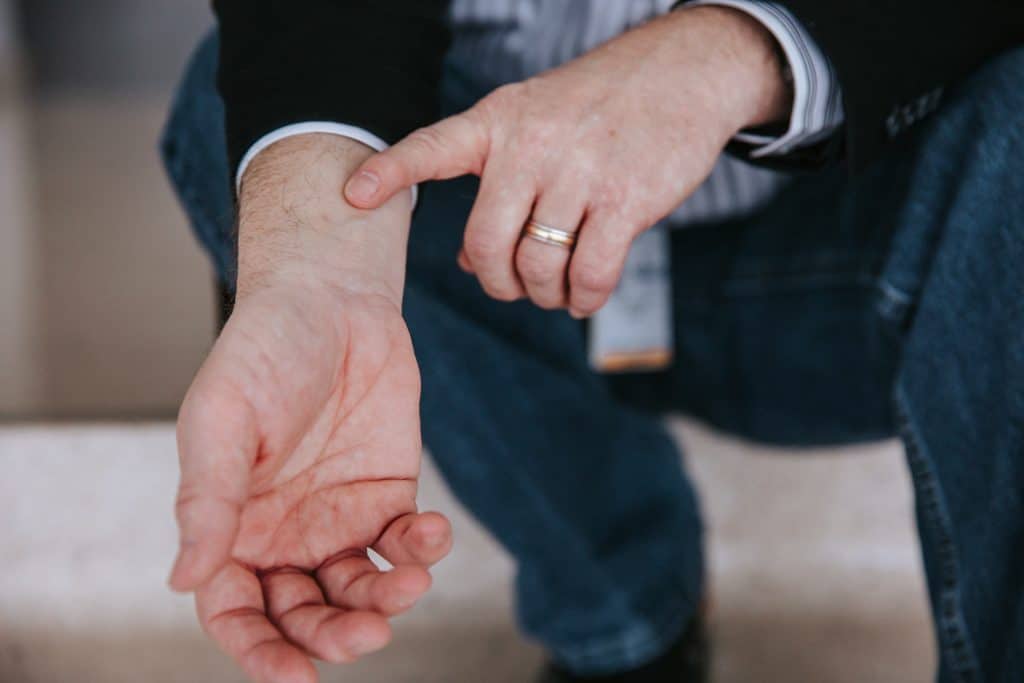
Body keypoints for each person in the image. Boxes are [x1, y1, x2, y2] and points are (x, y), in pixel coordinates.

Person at [160, 2, 1024, 682]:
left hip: (860, 251)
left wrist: (733, 49)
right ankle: (627, 625)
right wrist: (319, 274)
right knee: (241, 123)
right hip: (479, 258)